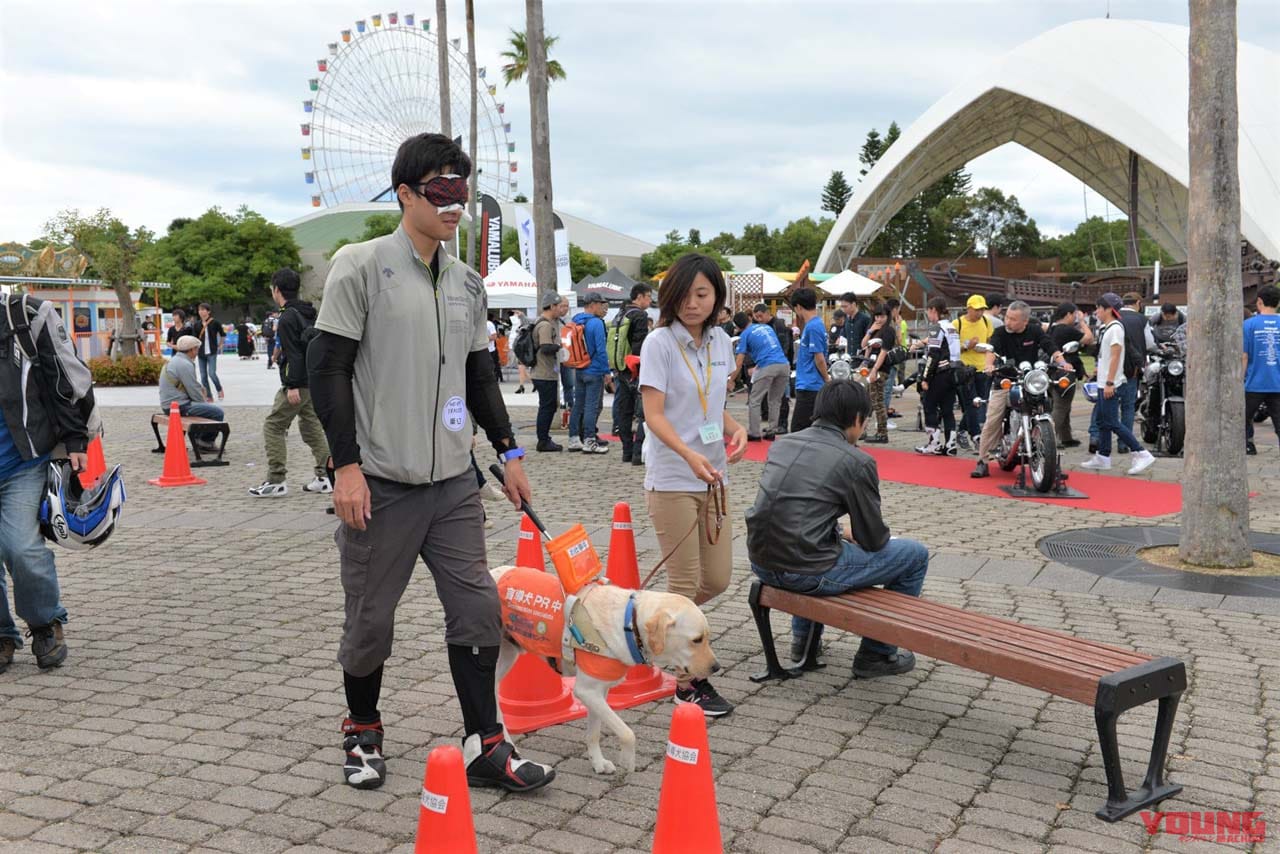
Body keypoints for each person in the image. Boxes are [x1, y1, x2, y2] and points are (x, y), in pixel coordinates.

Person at [306, 132, 554, 793]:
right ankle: (362, 730)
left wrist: (509, 452)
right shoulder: (360, 266)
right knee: (370, 618)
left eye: (462, 190)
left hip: (452, 483)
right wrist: (345, 466)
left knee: (476, 607)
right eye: (442, 189)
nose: (455, 204)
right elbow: (327, 368)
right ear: (408, 193)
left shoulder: (468, 283)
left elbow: (479, 378)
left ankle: (486, 744)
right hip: (380, 484)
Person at [747, 380, 928, 677]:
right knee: (914, 555)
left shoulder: (784, 444)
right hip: (807, 571)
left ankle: (803, 642)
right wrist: (854, 534)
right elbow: (873, 539)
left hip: (763, 562)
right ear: (858, 419)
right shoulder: (856, 460)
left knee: (823, 543)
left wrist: (839, 530)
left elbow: (794, 512)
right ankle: (877, 653)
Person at [639, 252, 748, 716]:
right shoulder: (660, 343)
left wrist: (733, 427)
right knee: (684, 585)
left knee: (718, 578)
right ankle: (688, 683)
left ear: (717, 297)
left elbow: (709, 403)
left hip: (713, 476)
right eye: (683, 295)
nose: (692, 303)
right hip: (671, 478)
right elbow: (654, 414)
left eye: (702, 294)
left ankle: (646, 631)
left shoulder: (722, 341)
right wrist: (687, 453)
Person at [0, 295, 93, 673]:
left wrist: (75, 440)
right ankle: (2, 635)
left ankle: (44, 623)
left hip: (22, 461)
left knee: (22, 550)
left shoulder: (23, 317)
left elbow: (62, 377)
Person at [249, 268, 333, 498]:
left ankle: (276, 480)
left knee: (274, 425)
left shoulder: (286, 316)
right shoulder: (308, 312)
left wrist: (292, 385)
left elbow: (294, 354)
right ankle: (326, 477)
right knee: (311, 426)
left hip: (298, 382)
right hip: (314, 379)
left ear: (276, 289)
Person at [971, 301, 1064, 478]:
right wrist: (989, 365)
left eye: (1013, 319)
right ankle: (982, 461)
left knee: (1047, 415)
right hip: (1006, 380)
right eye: (1007, 317)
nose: (1008, 322)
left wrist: (1063, 362)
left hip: (1029, 380)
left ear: (1025, 321)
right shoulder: (1000, 333)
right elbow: (991, 350)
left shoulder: (1034, 331)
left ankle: (1052, 462)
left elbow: (1050, 346)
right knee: (992, 420)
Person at [1081, 293, 1156, 475]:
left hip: (1111, 383)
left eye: (1099, 307)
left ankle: (1140, 452)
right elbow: (1106, 355)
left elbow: (1116, 356)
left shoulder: (1115, 328)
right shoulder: (1107, 327)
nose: (1097, 311)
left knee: (1112, 421)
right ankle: (1103, 456)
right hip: (1104, 381)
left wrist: (1109, 382)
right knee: (1103, 421)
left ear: (1109, 309)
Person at [610, 283, 653, 463]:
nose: (650, 300)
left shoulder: (620, 315)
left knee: (624, 411)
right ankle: (637, 453)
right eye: (649, 296)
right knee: (644, 412)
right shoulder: (639, 315)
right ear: (640, 296)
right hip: (635, 369)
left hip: (620, 368)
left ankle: (626, 450)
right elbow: (639, 345)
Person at [159, 336, 224, 454]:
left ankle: (199, 439)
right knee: (217, 412)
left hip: (169, 404)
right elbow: (194, 392)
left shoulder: (174, 360)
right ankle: (204, 442)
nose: (197, 352)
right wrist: (205, 402)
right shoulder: (185, 364)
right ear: (192, 350)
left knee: (208, 409)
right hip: (179, 406)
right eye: (197, 349)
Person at [730, 310, 789, 440]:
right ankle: (772, 430)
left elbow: (739, 362)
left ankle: (754, 432)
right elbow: (769, 347)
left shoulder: (745, 334)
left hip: (768, 366)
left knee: (755, 400)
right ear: (749, 319)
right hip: (784, 365)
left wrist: (731, 380)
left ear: (738, 326)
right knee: (775, 400)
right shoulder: (766, 327)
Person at [913, 297, 960, 455]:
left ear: (933, 310)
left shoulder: (936, 328)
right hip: (953, 372)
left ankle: (934, 443)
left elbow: (933, 355)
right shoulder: (952, 327)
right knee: (948, 409)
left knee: (930, 405)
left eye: (928, 311)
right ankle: (951, 444)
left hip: (939, 373)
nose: (928, 314)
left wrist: (925, 378)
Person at [568, 293, 612, 454]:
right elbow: (601, 349)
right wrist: (606, 371)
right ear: (593, 305)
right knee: (591, 407)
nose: (602, 308)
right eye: (601, 305)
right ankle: (589, 440)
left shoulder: (576, 320)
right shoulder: (596, 323)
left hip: (579, 368)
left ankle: (573, 439)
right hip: (594, 370)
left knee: (578, 405)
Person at [1048, 302, 1093, 448]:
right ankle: (1049, 438)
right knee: (1061, 407)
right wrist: (1082, 322)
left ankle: (1066, 437)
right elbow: (1089, 338)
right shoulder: (1066, 330)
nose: (1075, 317)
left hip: (1053, 370)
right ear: (1068, 314)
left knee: (1062, 406)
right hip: (1066, 372)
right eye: (1074, 314)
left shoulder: (1052, 328)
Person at [956, 294, 995, 450]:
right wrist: (967, 345)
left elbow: (991, 342)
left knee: (980, 403)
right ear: (969, 308)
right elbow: (951, 347)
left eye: (982, 310)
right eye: (977, 310)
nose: (980, 313)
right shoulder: (957, 323)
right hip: (964, 368)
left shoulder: (986, 322)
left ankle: (962, 430)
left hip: (982, 368)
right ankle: (976, 436)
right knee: (971, 403)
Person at [1244, 285, 1280, 455]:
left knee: (1243, 418)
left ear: (1259, 302)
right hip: (1278, 383)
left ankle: (1248, 445)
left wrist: (1240, 378)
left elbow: (1244, 356)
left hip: (1254, 383)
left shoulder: (1249, 325)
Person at [789, 287, 828, 432]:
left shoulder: (813, 327)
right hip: (808, 383)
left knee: (798, 429)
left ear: (798, 307)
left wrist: (827, 378)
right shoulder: (815, 324)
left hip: (810, 385)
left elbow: (819, 358)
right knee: (808, 429)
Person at [532, 292, 567, 453]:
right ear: (552, 306)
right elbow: (545, 347)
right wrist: (560, 347)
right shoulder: (545, 325)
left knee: (548, 406)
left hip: (544, 372)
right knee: (547, 407)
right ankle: (543, 440)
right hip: (544, 372)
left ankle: (544, 438)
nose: (561, 310)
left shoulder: (545, 323)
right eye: (559, 306)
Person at [861, 303, 898, 445]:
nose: (879, 319)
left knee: (878, 401)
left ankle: (882, 433)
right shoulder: (874, 329)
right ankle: (864, 430)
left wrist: (875, 369)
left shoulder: (888, 331)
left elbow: (884, 352)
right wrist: (870, 331)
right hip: (870, 367)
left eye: (882, 316)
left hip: (880, 369)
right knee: (868, 400)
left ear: (887, 316)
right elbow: (864, 345)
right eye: (877, 316)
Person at [753, 302, 793, 432]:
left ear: (767, 313)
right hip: (767, 363)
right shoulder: (761, 327)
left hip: (780, 362)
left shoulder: (778, 325)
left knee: (780, 396)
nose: (759, 320)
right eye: (756, 317)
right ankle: (773, 425)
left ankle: (782, 424)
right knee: (772, 397)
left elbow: (785, 346)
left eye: (760, 316)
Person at [194, 303, 226, 401]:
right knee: (203, 376)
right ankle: (209, 396)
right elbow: (194, 339)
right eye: (199, 310)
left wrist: (220, 344)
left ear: (208, 311)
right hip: (201, 352)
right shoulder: (197, 324)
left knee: (212, 373)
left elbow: (222, 334)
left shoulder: (215, 322)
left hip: (212, 351)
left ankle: (219, 389)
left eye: (203, 310)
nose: (201, 312)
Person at [509, 309, 529, 393]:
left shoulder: (522, 327)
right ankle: (523, 385)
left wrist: (521, 315)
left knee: (521, 368)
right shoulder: (518, 327)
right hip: (519, 349)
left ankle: (522, 386)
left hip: (521, 349)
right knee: (522, 369)